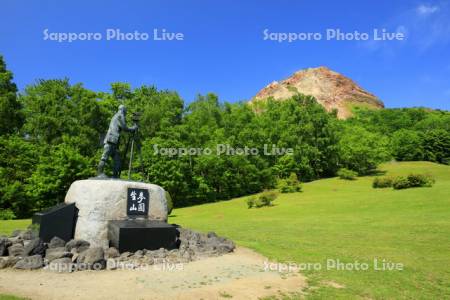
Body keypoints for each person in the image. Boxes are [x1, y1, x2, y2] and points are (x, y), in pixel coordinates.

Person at [97, 105, 137, 178]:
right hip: (111, 140)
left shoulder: (116, 116)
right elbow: (124, 127)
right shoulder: (120, 115)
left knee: (117, 160)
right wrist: (133, 128)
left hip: (114, 142)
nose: (126, 113)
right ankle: (99, 173)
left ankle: (115, 176)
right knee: (104, 157)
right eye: (125, 111)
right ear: (123, 110)